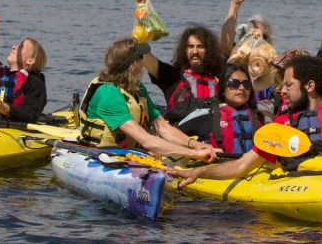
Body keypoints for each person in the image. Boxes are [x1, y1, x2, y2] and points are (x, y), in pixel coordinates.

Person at [167, 54, 322, 187]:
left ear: (310, 86)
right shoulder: (279, 126)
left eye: (288, 85)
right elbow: (242, 166)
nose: (282, 91)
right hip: (295, 189)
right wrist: (198, 172)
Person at [78, 37, 218, 161]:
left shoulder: (137, 88)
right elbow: (146, 140)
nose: (143, 61)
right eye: (140, 57)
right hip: (104, 153)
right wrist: (194, 154)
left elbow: (162, 127)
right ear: (132, 64)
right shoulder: (108, 94)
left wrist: (195, 145)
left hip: (128, 150)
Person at [135, 0, 225, 126]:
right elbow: (141, 51)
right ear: (184, 49)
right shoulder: (172, 77)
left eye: (200, 46)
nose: (195, 51)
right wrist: (141, 13)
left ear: (209, 50)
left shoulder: (221, 78)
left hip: (214, 134)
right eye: (190, 46)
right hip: (181, 134)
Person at [0, 9, 48, 123]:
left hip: (8, 127)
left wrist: (4, 108)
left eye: (21, 46)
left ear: (30, 60)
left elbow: (30, 115)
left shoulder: (35, 83)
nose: (14, 46)